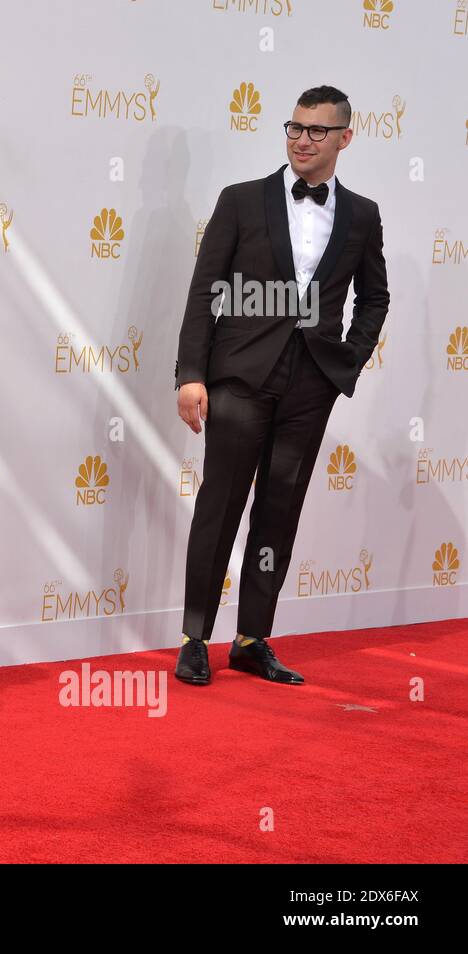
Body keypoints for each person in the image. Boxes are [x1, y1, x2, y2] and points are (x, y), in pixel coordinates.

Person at [172, 85, 389, 686]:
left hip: (310, 384)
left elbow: (375, 296)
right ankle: (195, 636)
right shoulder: (240, 200)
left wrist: (347, 358)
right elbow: (204, 291)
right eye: (294, 128)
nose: (302, 140)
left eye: (317, 131)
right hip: (240, 376)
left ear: (345, 137)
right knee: (220, 506)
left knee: (279, 511)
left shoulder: (362, 214)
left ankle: (251, 638)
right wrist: (191, 373)